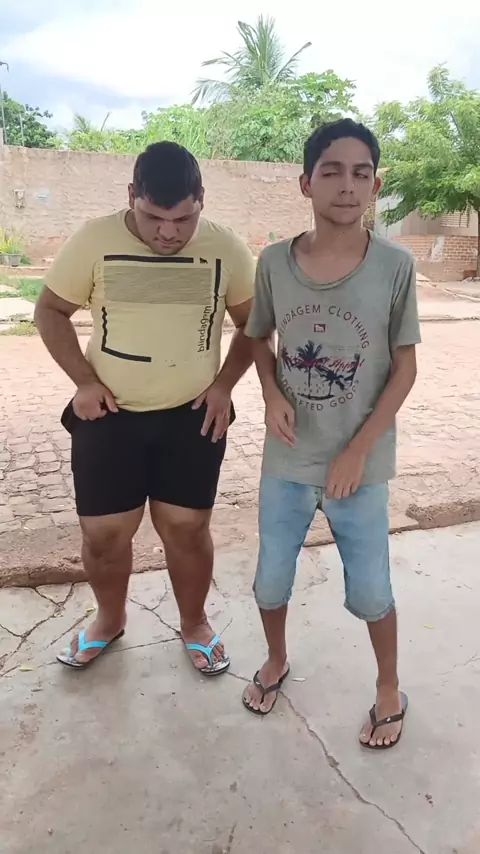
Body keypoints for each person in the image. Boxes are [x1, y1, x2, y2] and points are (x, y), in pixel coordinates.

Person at [34, 141, 255, 673]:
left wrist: (225, 384)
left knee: (187, 530)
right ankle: (109, 620)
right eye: (154, 217)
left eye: (184, 219)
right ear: (132, 194)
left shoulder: (226, 247)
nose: (169, 233)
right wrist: (83, 382)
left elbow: (253, 323)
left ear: (202, 200)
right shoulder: (94, 239)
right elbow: (50, 310)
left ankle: (195, 623)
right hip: (108, 416)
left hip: (192, 414)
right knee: (104, 536)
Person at [242, 119, 420, 749]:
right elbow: (258, 338)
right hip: (289, 459)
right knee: (270, 579)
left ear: (375, 185)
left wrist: (358, 450)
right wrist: (271, 394)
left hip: (359, 468)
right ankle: (276, 659)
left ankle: (389, 688)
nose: (348, 185)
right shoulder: (274, 262)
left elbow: (405, 368)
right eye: (332, 172)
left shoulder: (395, 266)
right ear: (305, 183)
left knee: (372, 589)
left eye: (361, 173)